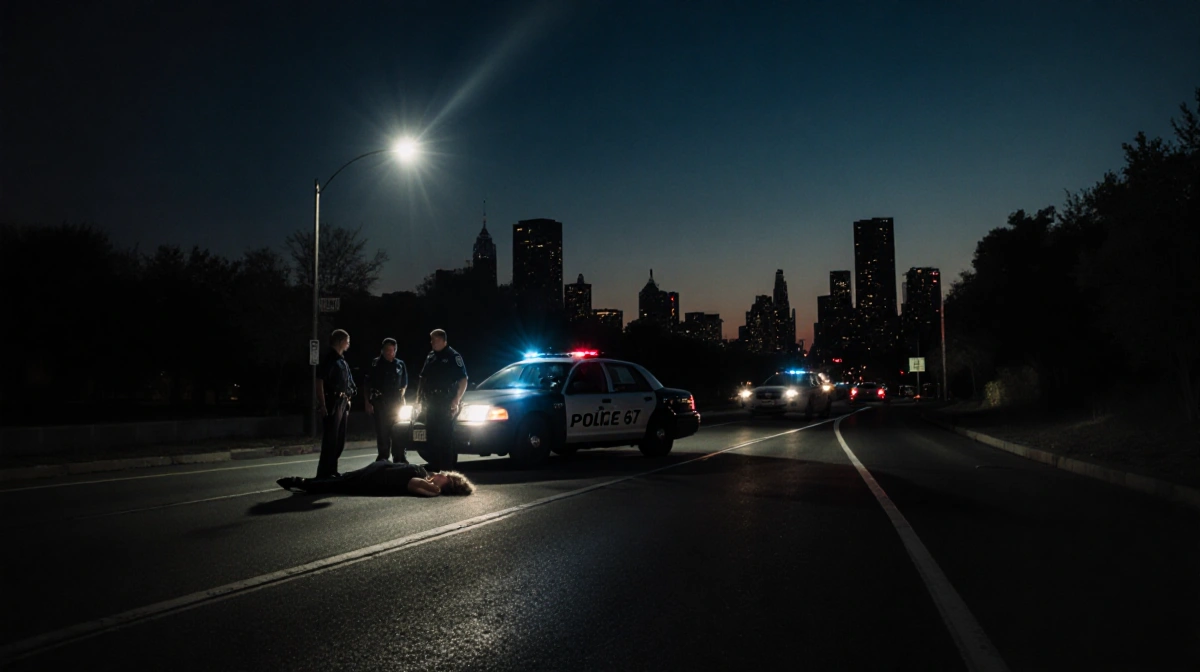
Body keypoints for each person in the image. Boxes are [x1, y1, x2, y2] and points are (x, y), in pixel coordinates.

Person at [416, 329, 468, 470]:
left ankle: (447, 470)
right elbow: (423, 378)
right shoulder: (431, 356)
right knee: (432, 436)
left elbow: (463, 380)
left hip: (446, 400)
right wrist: (418, 399)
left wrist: (456, 399)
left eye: (436, 340)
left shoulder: (453, 356)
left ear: (444, 341)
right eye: (431, 340)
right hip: (431, 401)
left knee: (445, 437)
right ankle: (435, 468)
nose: (432, 343)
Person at [276, 461, 475, 497]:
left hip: (376, 481)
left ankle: (301, 483)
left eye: (445, 476)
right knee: (340, 479)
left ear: (449, 485)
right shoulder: (426, 474)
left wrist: (436, 487)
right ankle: (305, 483)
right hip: (377, 470)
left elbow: (413, 484)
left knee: (338, 484)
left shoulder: (430, 488)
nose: (440, 474)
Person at [315, 329, 356, 478]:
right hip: (332, 402)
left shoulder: (342, 360)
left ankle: (332, 470)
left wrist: (349, 397)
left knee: (339, 440)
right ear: (340, 341)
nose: (348, 344)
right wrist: (322, 404)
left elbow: (349, 382)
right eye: (347, 341)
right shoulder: (329, 359)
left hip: (342, 402)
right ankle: (324, 473)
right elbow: (319, 381)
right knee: (330, 440)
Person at [364, 337, 408, 462]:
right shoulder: (375, 364)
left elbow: (404, 384)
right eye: (387, 350)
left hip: (396, 404)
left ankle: (399, 458)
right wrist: (367, 402)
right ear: (382, 350)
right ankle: (383, 459)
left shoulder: (400, 364)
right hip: (381, 403)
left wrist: (402, 397)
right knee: (383, 433)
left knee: (399, 431)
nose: (389, 352)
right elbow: (367, 384)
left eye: (392, 350)